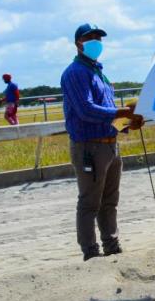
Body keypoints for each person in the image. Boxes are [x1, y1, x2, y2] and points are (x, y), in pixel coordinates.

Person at [61, 23, 144, 261]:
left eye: (99, 37)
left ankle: (112, 245)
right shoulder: (75, 73)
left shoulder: (99, 73)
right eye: (91, 37)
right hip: (89, 146)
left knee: (110, 200)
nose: (96, 41)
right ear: (78, 43)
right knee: (90, 202)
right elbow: (86, 110)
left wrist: (126, 125)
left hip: (109, 144)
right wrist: (122, 112)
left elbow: (106, 113)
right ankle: (90, 252)